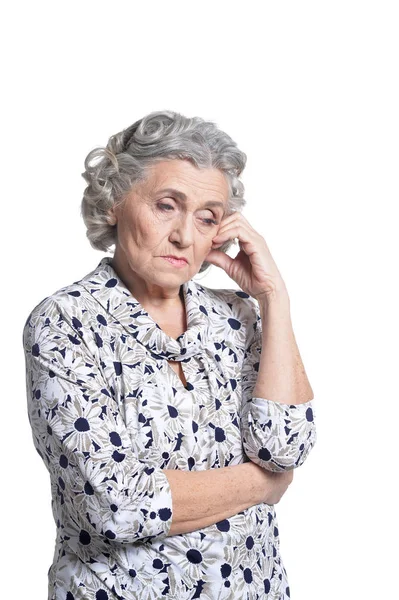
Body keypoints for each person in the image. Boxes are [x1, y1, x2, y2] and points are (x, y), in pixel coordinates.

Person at [23, 110, 317, 600]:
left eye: (207, 217)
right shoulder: (64, 322)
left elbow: (286, 446)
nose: (185, 235)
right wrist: (261, 486)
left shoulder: (238, 316)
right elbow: (116, 504)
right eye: (166, 205)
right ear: (116, 201)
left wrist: (274, 299)